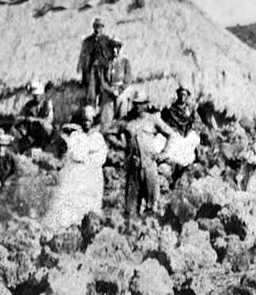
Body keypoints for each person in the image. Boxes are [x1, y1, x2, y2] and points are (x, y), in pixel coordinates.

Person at [42, 106, 109, 230]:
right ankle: (68, 227)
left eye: (89, 120)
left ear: (94, 121)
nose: (86, 123)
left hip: (91, 175)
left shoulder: (97, 138)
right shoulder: (76, 136)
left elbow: (101, 157)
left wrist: (88, 160)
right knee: (69, 201)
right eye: (84, 120)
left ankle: (87, 227)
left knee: (90, 204)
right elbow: (74, 154)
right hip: (76, 173)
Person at [119, 92, 178, 220]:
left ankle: (149, 230)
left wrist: (164, 153)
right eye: (135, 104)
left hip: (149, 164)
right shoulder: (127, 120)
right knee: (130, 206)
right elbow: (108, 131)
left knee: (153, 203)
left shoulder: (152, 119)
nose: (136, 107)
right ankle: (132, 232)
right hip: (133, 166)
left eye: (139, 104)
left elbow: (171, 134)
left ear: (145, 105)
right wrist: (121, 145)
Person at [159, 86, 200, 186]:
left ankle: (177, 180)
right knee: (173, 159)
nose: (182, 97)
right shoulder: (171, 109)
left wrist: (191, 130)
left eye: (184, 95)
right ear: (177, 95)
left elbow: (194, 122)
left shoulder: (189, 109)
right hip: (175, 135)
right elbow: (165, 121)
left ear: (187, 97)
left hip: (186, 135)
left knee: (188, 158)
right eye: (180, 94)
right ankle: (170, 180)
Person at [78, 18, 122, 106]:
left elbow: (114, 50)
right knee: (91, 91)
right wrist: (80, 67)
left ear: (102, 28)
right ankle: (91, 112)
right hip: (91, 70)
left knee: (104, 90)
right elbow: (83, 55)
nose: (98, 29)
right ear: (93, 27)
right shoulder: (88, 41)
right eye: (96, 26)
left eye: (100, 27)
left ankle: (103, 112)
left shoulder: (106, 40)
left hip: (104, 69)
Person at [18, 81, 54, 152]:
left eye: (38, 95)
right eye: (35, 95)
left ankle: (43, 147)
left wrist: (35, 119)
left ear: (42, 94)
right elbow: (23, 116)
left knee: (46, 127)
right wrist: (23, 119)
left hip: (43, 129)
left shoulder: (47, 103)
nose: (36, 97)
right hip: (31, 128)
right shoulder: (29, 104)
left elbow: (49, 119)